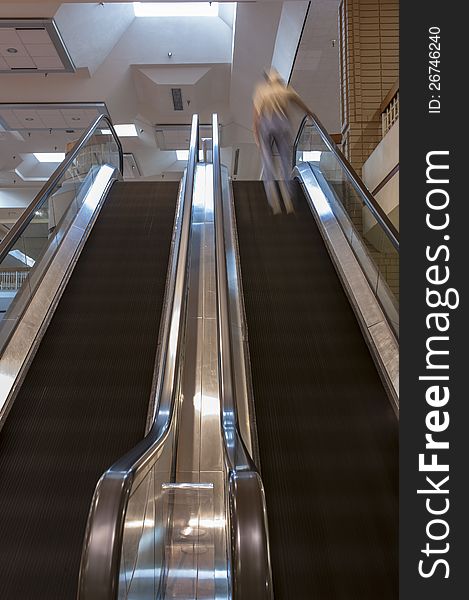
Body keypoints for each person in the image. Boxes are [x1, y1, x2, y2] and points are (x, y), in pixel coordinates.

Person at [253, 69, 313, 214]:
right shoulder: (285, 89)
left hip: (266, 124)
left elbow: (256, 115)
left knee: (268, 161)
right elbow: (300, 104)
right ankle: (288, 196)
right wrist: (309, 113)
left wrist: (256, 135)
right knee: (285, 160)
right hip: (283, 124)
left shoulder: (262, 91)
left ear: (268, 80)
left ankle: (273, 200)